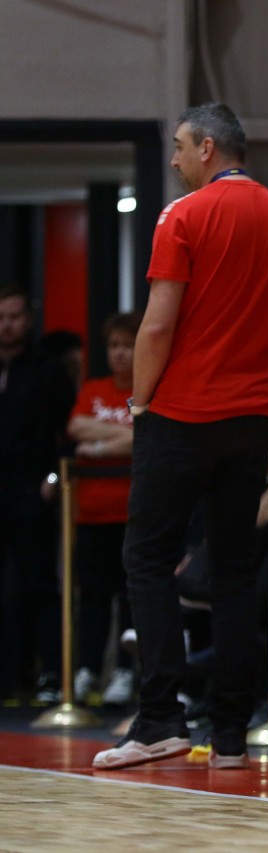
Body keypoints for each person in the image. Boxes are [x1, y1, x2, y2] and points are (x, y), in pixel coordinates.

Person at [92, 102, 268, 771]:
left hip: (180, 414)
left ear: (209, 148)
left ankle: (161, 717)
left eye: (180, 147)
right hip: (250, 420)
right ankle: (230, 736)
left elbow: (157, 324)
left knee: (147, 558)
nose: (174, 159)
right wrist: (264, 399)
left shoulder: (182, 216)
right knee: (234, 571)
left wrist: (140, 402)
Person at [0, 287, 76, 704]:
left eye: (14, 317)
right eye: (1, 317)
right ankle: (8, 676)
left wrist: (53, 476)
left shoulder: (47, 369)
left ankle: (50, 673)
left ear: (27, 320)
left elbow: (66, 430)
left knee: (39, 581)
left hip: (32, 485)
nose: (7, 325)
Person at [68, 311, 143, 706]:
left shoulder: (148, 390)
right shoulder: (94, 389)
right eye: (114, 345)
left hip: (132, 512)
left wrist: (97, 448)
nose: (119, 353)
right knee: (93, 595)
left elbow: (143, 436)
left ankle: (127, 673)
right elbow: (76, 427)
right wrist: (122, 436)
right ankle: (87, 669)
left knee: (130, 595)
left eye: (127, 345)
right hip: (92, 513)